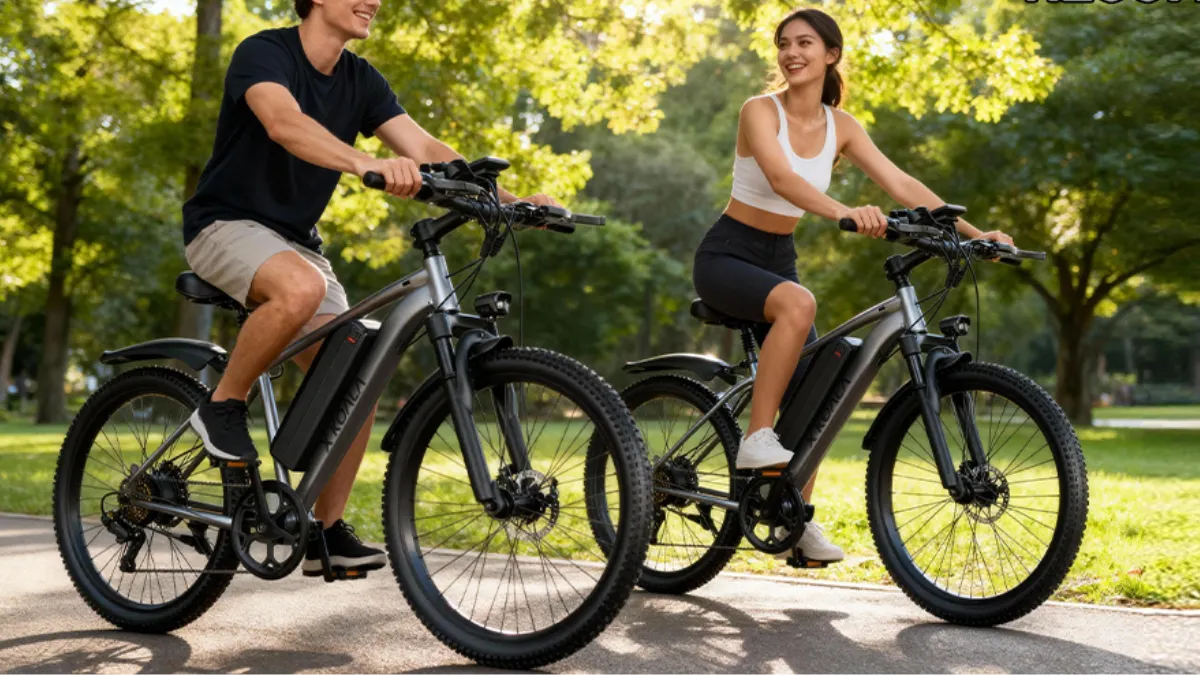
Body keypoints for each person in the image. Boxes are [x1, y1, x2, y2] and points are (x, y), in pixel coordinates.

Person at [181, 0, 557, 576]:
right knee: (301, 288)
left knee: (357, 375)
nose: (373, 1)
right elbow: (283, 123)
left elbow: (426, 149)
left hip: (295, 244)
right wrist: (363, 162)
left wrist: (511, 202)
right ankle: (222, 406)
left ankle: (323, 534)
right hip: (223, 226)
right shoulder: (264, 52)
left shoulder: (361, 79)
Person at [691, 8, 1014, 563]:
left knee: (823, 388)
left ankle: (793, 518)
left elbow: (901, 183)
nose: (792, 53)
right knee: (800, 304)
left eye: (805, 43)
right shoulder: (758, 110)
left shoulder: (842, 126)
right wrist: (845, 211)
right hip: (727, 255)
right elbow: (781, 179)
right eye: (784, 43)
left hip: (779, 260)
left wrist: (975, 234)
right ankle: (755, 438)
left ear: (831, 54)